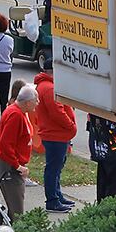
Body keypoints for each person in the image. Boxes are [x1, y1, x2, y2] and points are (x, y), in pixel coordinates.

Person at [34, 71, 78, 213]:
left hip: (54, 134)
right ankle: (52, 200)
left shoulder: (44, 86)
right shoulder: (50, 88)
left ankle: (57, 195)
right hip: (56, 134)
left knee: (56, 167)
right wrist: (70, 125)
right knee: (54, 168)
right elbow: (57, 112)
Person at [0, 85, 37, 219]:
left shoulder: (16, 111)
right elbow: (5, 144)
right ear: (28, 102)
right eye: (36, 100)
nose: (38, 103)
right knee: (17, 211)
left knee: (14, 206)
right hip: (9, 165)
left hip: (8, 162)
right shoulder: (15, 115)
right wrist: (18, 166)